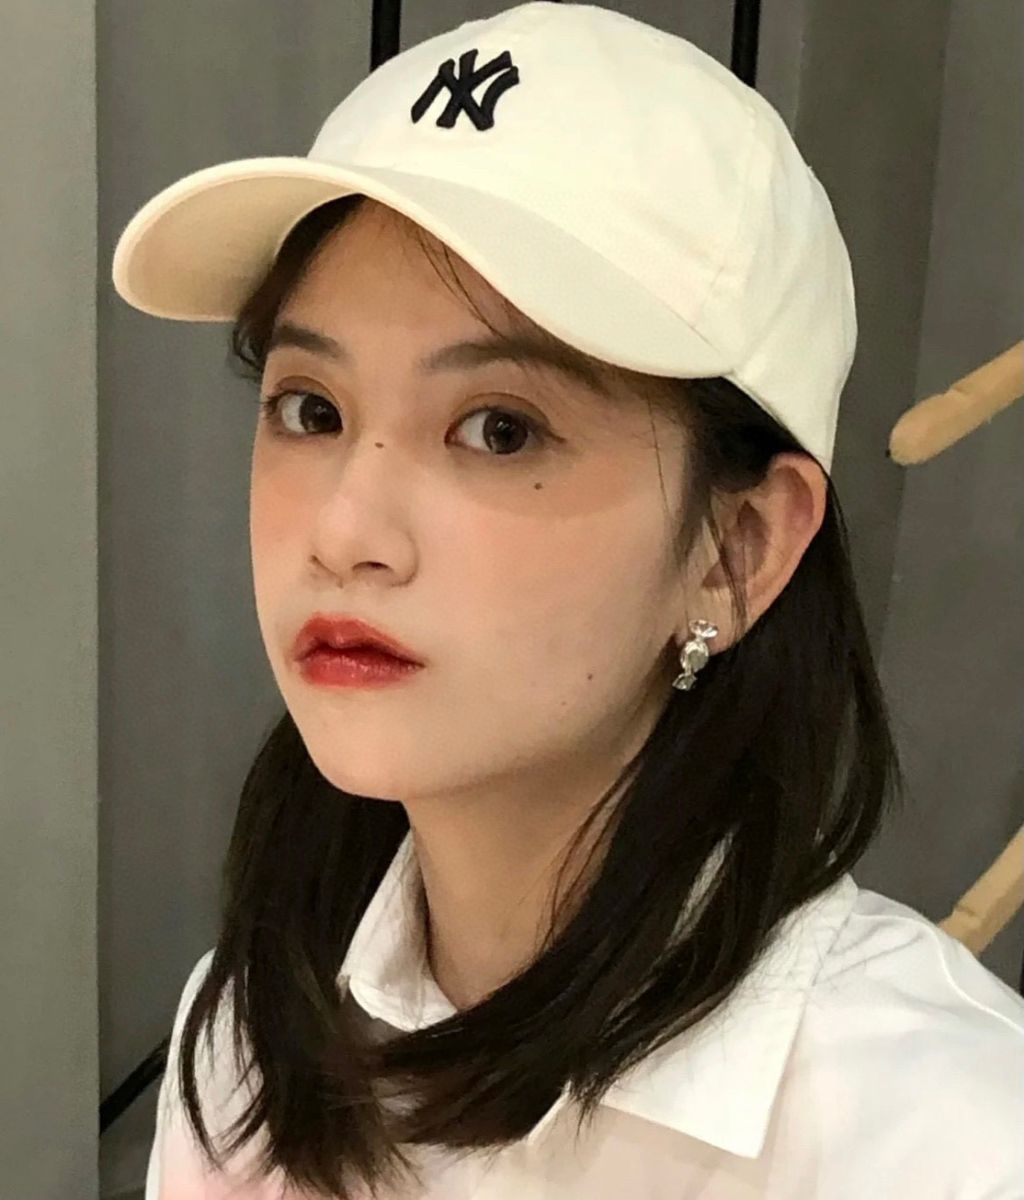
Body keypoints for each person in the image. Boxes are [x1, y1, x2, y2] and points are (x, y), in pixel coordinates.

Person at [111, 4, 1024, 1198]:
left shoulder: (949, 1142)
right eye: (310, 409)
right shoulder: (246, 1037)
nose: (343, 533)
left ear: (737, 548)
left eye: (499, 429)